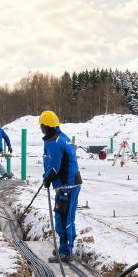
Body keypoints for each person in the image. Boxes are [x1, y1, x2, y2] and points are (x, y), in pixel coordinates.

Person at [39, 110, 82, 263]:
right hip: (71, 183)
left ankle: (66, 251)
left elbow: (55, 167)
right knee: (67, 217)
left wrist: (47, 179)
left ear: (46, 126)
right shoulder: (62, 137)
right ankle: (66, 246)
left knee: (63, 219)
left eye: (42, 126)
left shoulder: (54, 143)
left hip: (66, 186)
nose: (41, 129)